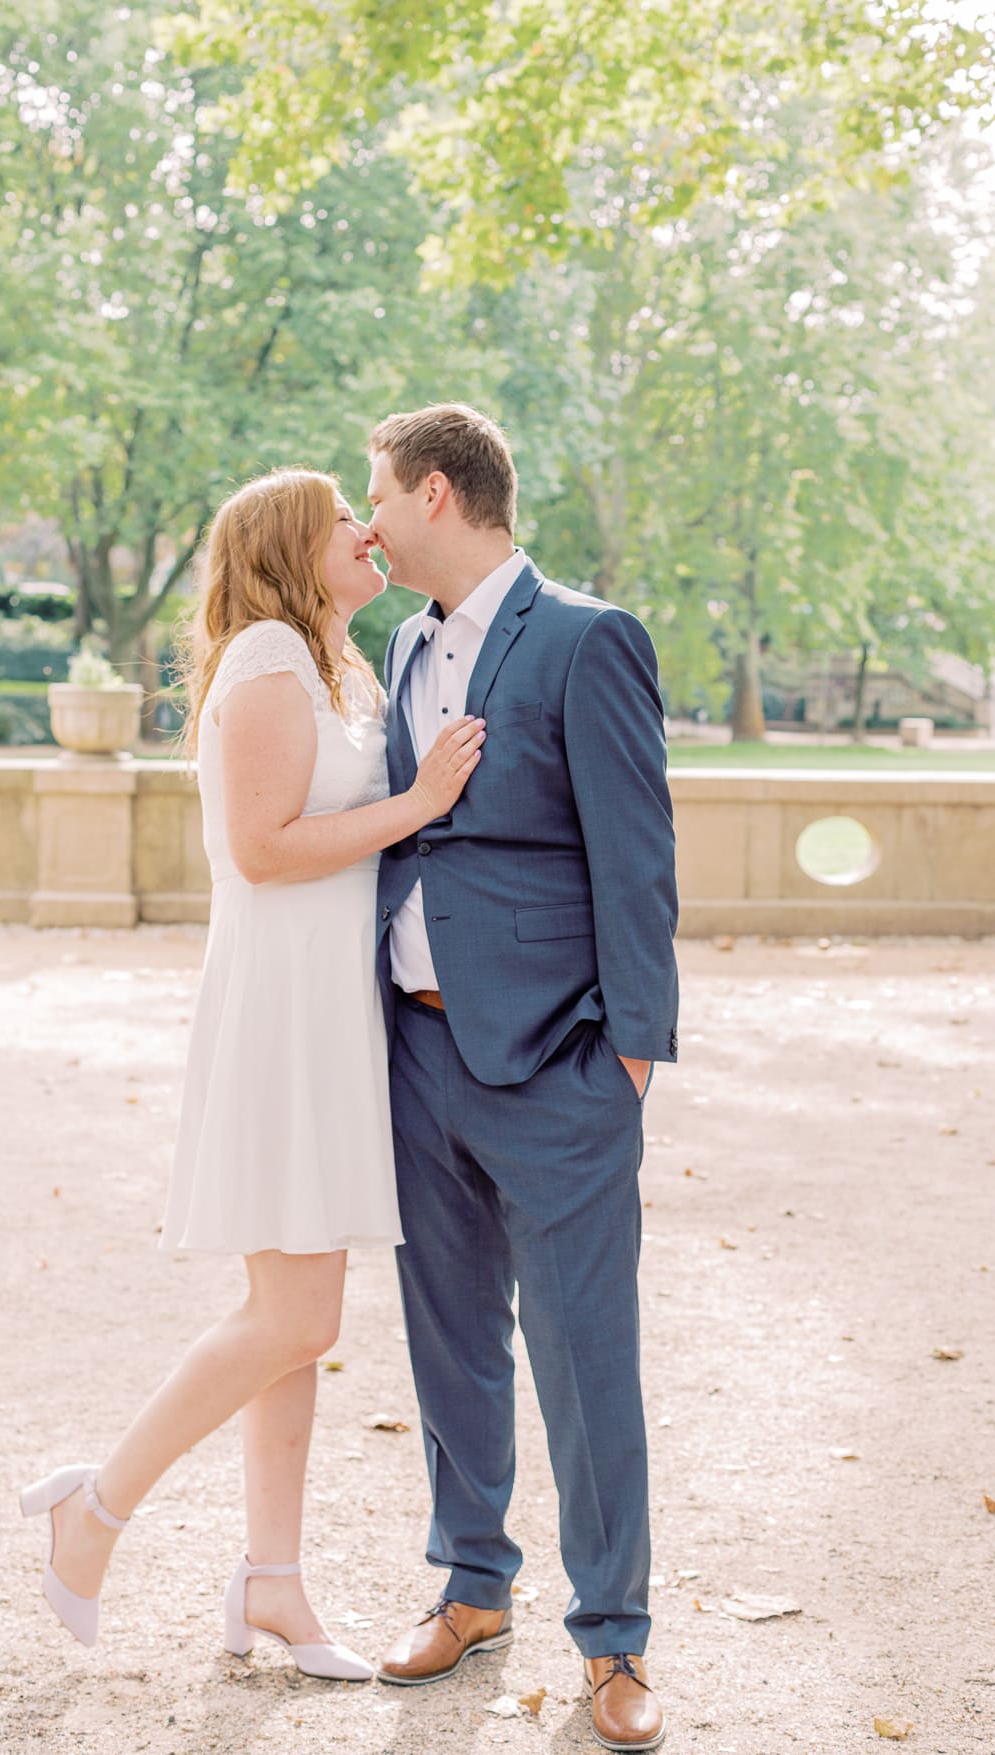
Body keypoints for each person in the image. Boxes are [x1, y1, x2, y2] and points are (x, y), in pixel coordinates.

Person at [20, 468, 485, 1679]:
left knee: (298, 1329)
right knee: (297, 1314)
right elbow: (263, 851)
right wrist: (424, 798)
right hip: (281, 1015)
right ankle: (99, 1505)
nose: (364, 530)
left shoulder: (341, 665)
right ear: (292, 546)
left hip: (335, 1012)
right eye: (343, 518)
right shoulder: (268, 654)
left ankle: (271, 1583)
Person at [366, 406, 678, 1753]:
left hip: (557, 1061)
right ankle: (471, 1580)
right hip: (415, 1046)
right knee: (446, 1338)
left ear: (435, 493)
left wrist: (628, 1055)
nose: (364, 518)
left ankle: (613, 1637)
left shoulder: (586, 635)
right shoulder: (400, 640)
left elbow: (636, 854)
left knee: (581, 1350)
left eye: (375, 493)